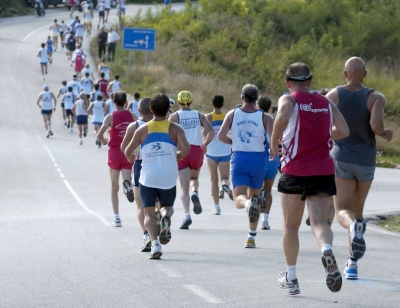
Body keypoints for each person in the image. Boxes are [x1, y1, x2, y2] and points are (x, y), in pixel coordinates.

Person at [269, 62, 349, 295]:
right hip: (323, 170)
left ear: (288, 82)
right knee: (320, 223)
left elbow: (282, 116)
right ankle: (326, 249)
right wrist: (323, 135)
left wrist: (275, 143)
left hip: (294, 170)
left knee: (290, 226)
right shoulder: (326, 102)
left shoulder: (289, 99)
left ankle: (291, 277)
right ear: (311, 82)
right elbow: (343, 130)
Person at [326, 57, 393, 280]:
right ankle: (352, 264)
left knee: (343, 212)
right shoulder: (375, 97)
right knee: (358, 210)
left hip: (342, 158)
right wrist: (385, 134)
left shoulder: (333, 95)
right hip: (365, 160)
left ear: (345, 74)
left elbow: (322, 122)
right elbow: (376, 126)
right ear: (364, 74)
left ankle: (354, 239)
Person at [124, 94, 190, 259]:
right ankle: (166, 217)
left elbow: (127, 151)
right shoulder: (176, 129)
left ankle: (154, 244)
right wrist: (179, 154)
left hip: (148, 177)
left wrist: (130, 157)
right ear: (169, 109)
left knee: (148, 213)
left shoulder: (142, 129)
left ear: (151, 109)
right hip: (168, 175)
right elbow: (186, 149)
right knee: (166, 206)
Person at [218, 84, 268, 248]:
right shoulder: (265, 117)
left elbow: (220, 135)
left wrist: (233, 142)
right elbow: (275, 139)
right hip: (259, 159)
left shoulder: (232, 114)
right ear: (257, 99)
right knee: (256, 196)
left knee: (239, 197)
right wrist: (274, 152)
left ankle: (247, 205)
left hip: (239, 157)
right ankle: (251, 237)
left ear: (242, 98)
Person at [169, 91, 214, 229]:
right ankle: (195, 193)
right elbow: (211, 132)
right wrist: (205, 144)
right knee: (194, 178)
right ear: (191, 101)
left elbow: (168, 135)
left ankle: (187, 214)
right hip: (196, 150)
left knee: (183, 186)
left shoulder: (174, 116)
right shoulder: (199, 115)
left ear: (178, 102)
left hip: (182, 149)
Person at [120, 97, 154, 252]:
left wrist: (131, 155)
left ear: (139, 111)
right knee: (157, 202)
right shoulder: (160, 125)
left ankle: (146, 235)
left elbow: (123, 147)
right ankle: (160, 222)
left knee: (140, 205)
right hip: (157, 163)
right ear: (153, 110)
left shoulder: (134, 126)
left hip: (140, 164)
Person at [97, 91, 135, 226]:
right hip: (127, 151)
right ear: (126, 102)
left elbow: (99, 134)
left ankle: (117, 218)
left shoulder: (110, 117)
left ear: (113, 102)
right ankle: (128, 187)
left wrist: (103, 140)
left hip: (114, 153)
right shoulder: (132, 116)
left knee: (114, 186)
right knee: (127, 180)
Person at [204, 94, 233, 215]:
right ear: (223, 105)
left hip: (212, 152)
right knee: (225, 178)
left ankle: (217, 207)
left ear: (212, 104)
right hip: (225, 151)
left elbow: (206, 133)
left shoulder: (208, 117)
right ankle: (225, 186)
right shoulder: (227, 117)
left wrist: (204, 144)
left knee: (213, 180)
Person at [256, 95, 279, 230]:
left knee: (255, 190)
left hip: (257, 158)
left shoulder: (253, 117)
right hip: (271, 158)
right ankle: (265, 220)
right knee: (268, 189)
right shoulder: (274, 120)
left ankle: (255, 218)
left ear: (257, 105)